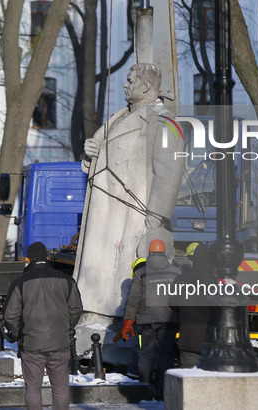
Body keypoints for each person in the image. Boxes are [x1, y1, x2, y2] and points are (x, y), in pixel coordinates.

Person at [74, 63, 185, 329]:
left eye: (130, 80)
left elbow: (169, 172)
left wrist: (154, 220)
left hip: (130, 214)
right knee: (97, 277)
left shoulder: (164, 121)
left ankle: (110, 319)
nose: (125, 85)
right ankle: (92, 315)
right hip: (106, 211)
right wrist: (92, 154)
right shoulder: (121, 116)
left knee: (117, 280)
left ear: (146, 87)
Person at [3, 242, 83, 410]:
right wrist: (67, 328)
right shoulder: (66, 280)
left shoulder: (19, 282)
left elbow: (10, 315)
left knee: (32, 388)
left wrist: (18, 334)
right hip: (59, 342)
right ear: (47, 258)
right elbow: (76, 309)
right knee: (60, 387)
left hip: (31, 342)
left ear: (28, 259)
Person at [122, 239, 180, 398]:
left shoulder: (141, 272)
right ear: (164, 253)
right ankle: (163, 391)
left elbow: (133, 299)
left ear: (149, 253)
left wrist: (128, 322)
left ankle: (145, 390)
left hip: (144, 323)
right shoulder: (176, 272)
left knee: (144, 354)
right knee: (166, 354)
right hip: (168, 322)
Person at [169, 243, 215, 368]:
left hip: (188, 337)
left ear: (194, 260)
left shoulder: (180, 280)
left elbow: (172, 304)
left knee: (189, 380)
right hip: (209, 340)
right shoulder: (215, 281)